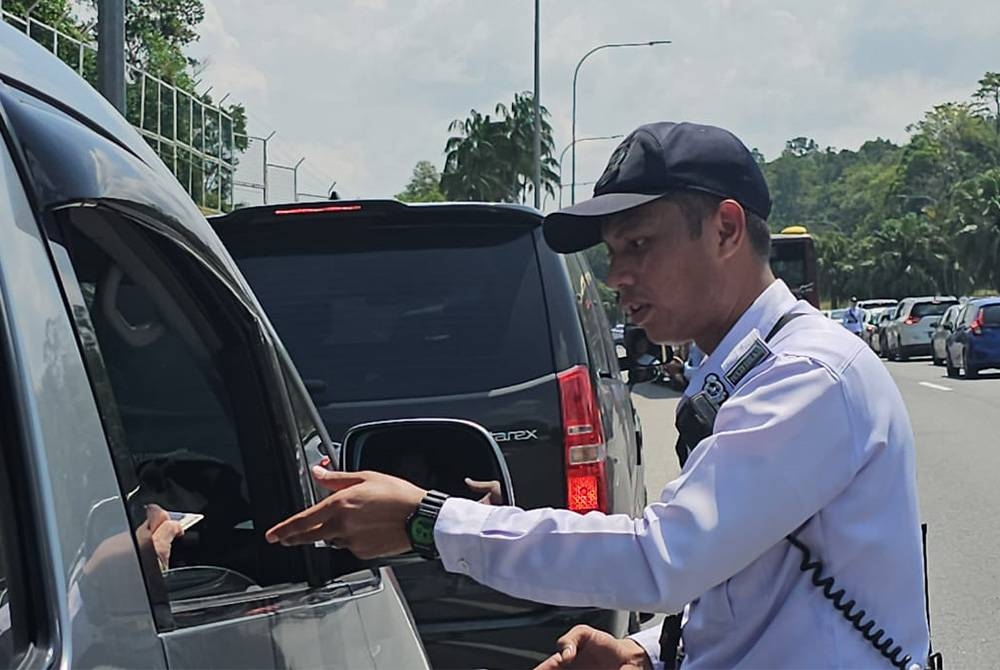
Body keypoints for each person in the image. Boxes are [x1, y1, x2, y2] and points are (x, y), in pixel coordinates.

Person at [266, 122, 930, 669]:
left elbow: (661, 556)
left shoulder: (810, 377)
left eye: (639, 244)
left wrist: (428, 521)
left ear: (727, 230)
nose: (617, 276)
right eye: (613, 252)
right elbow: (752, 586)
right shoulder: (736, 375)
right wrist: (645, 651)